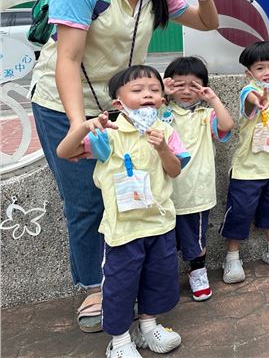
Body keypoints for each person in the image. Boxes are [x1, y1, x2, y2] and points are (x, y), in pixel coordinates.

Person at [30, 0, 219, 332]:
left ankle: (125, 278)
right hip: (63, 104)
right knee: (86, 200)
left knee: (127, 188)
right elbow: (68, 59)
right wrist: (79, 123)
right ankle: (95, 286)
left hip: (121, 107)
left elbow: (208, 23)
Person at [56, 65, 190, 358]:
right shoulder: (110, 134)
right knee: (120, 285)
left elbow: (175, 170)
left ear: (163, 99)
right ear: (118, 103)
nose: (147, 95)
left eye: (154, 90)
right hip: (123, 231)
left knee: (157, 278)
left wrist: (163, 149)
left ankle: (148, 327)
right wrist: (85, 126)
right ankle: (119, 341)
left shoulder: (166, 132)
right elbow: (64, 152)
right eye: (137, 90)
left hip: (159, 225)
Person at [220, 42, 269, 284]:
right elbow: (249, 101)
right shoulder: (248, 92)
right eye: (260, 68)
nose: (268, 72)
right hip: (247, 170)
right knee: (239, 213)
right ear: (249, 73)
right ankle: (232, 257)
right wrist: (258, 100)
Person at [162, 56, 234, 300]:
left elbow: (227, 125)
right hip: (165, 192)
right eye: (179, 84)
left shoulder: (206, 115)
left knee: (196, 237)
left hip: (198, 192)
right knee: (164, 241)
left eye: (193, 85)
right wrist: (161, 94)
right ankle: (165, 279)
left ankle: (198, 273)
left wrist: (212, 99)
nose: (185, 91)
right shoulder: (162, 113)